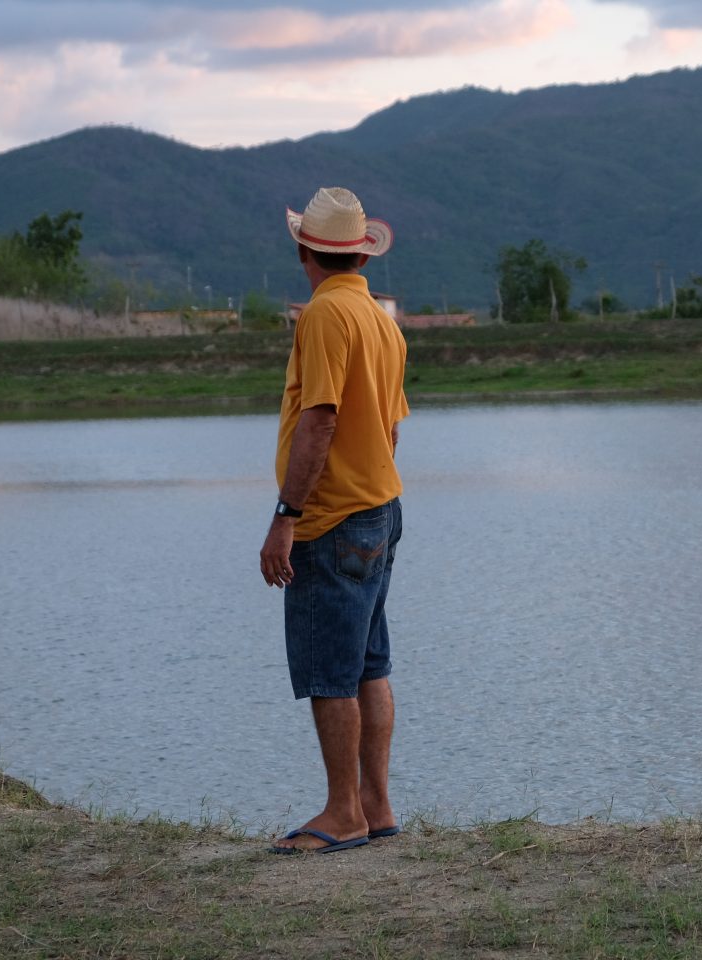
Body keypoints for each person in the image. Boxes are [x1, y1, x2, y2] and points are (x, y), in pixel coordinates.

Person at [259, 186, 409, 854]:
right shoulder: (380, 318)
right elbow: (390, 426)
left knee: (331, 672)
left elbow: (320, 418)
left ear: (304, 252)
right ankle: (375, 806)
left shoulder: (323, 317)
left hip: (332, 520)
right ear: (357, 253)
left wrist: (287, 517)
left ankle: (343, 812)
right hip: (380, 508)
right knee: (370, 666)